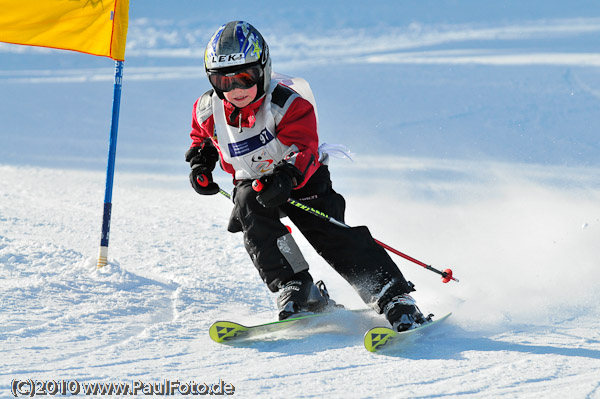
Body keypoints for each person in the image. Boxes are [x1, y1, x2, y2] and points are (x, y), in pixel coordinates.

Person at [185, 21, 426, 331]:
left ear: (264, 69)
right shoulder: (207, 109)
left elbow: (305, 147)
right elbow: (201, 140)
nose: (236, 90)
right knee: (255, 221)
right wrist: (201, 166)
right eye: (224, 82)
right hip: (255, 183)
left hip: (302, 178)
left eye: (245, 78)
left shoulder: (287, 104)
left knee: (328, 233)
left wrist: (287, 176)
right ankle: (297, 287)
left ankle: (393, 295)